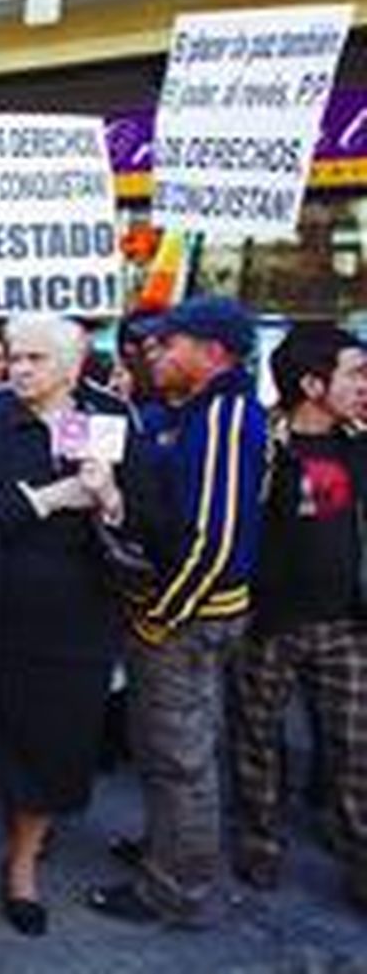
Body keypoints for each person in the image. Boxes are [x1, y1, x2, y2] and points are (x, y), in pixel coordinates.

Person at [0, 314, 154, 940]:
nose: (19, 369)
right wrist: (44, 499)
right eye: (14, 356)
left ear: (71, 365)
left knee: (51, 750)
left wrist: (111, 498)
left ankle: (23, 869)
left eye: (35, 359)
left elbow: (149, 517)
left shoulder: (109, 417)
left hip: (77, 618)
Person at [88, 296, 266, 928]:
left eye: (170, 343)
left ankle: (180, 891)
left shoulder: (224, 418)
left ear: (213, 353)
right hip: (178, 608)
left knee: (179, 756)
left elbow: (213, 537)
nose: (153, 352)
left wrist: (164, 612)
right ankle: (173, 848)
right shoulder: (188, 411)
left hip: (188, 613)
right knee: (171, 748)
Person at [231, 323, 367, 913]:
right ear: (313, 384)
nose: (365, 385)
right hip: (267, 624)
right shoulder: (259, 443)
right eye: (356, 373)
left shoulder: (362, 445)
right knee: (256, 742)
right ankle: (260, 845)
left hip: (347, 625)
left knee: (357, 748)